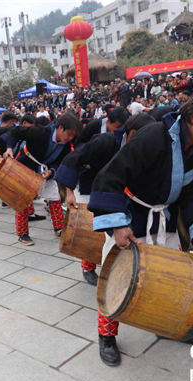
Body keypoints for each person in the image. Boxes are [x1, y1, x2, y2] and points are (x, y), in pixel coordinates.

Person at [87, 87, 193, 366]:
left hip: (165, 220)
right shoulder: (154, 136)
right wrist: (118, 224)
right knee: (115, 278)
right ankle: (107, 335)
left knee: (169, 277)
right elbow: (110, 176)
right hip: (133, 219)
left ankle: (164, 325)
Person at [55, 113, 156, 285]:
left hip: (116, 191)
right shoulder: (105, 142)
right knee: (95, 231)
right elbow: (73, 159)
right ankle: (88, 267)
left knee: (112, 232)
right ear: (133, 134)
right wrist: (69, 192)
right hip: (91, 185)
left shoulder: (141, 148)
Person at [1, 113, 82, 245]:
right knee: (23, 200)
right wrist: (9, 148)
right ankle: (22, 234)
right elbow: (16, 131)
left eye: (74, 135)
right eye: (69, 133)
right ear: (60, 127)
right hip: (26, 168)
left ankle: (59, 228)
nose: (71, 138)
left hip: (46, 172)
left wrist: (51, 171)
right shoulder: (40, 131)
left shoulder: (66, 144)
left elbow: (60, 162)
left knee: (54, 197)